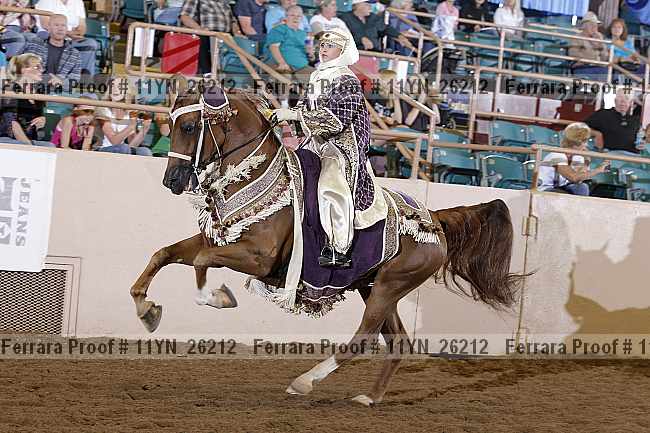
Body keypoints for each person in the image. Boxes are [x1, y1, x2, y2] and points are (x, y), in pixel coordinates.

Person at [272, 28, 387, 267]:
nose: (323, 49)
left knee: (330, 183)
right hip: (316, 140)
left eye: (330, 46)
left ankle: (338, 246)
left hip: (342, 145)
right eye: (322, 45)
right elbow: (305, 108)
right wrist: (285, 116)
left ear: (342, 51)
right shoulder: (318, 75)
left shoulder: (347, 80)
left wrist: (293, 115)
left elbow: (335, 120)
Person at [538, 122, 610, 196]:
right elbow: (574, 177)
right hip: (546, 190)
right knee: (566, 194)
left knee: (582, 187)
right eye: (585, 141)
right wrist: (598, 170)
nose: (586, 145)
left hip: (562, 188)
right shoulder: (556, 155)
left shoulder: (578, 157)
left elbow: (578, 180)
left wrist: (586, 162)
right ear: (577, 142)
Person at [0, 53, 53, 147]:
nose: (42, 70)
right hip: (8, 138)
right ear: (24, 69)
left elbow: (39, 117)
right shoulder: (10, 89)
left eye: (41, 67)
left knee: (50, 146)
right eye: (37, 67)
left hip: (30, 139)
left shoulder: (39, 91)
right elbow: (11, 123)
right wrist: (29, 145)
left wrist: (42, 120)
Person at [35, 0, 100, 76]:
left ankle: (85, 78)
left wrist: (77, 33)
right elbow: (46, 24)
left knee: (91, 44)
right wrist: (67, 33)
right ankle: (52, 76)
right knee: (55, 40)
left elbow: (82, 26)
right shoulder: (46, 1)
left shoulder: (78, 2)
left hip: (71, 37)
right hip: (49, 34)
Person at [94, 77, 153, 156]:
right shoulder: (102, 109)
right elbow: (114, 141)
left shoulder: (129, 112)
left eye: (119, 87)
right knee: (123, 148)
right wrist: (131, 126)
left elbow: (132, 145)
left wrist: (144, 129)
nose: (115, 89)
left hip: (121, 149)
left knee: (145, 151)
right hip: (101, 149)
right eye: (112, 86)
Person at [180, 0, 239, 75]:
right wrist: (200, 29)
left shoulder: (224, 2)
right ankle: (207, 73)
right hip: (206, 35)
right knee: (203, 39)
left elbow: (233, 22)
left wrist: (237, 32)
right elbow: (185, 17)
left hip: (225, 37)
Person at [24, 14, 81, 89]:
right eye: (56, 25)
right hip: (34, 87)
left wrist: (61, 82)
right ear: (49, 28)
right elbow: (22, 66)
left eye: (63, 25)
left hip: (59, 90)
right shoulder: (35, 44)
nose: (60, 29)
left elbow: (75, 80)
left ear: (67, 29)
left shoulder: (74, 54)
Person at [340, 0, 412, 52]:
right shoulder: (345, 18)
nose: (370, 7)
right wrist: (360, 39)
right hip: (354, 53)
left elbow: (385, 28)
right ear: (357, 5)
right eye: (367, 4)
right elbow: (341, 35)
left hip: (375, 54)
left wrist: (399, 36)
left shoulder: (373, 17)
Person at [586, 89, 644, 154]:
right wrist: (597, 134)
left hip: (632, 156)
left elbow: (641, 138)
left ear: (630, 103)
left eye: (626, 98)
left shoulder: (636, 120)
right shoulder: (603, 114)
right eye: (620, 98)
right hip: (608, 154)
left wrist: (642, 144)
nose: (623, 101)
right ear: (615, 100)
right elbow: (580, 127)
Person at [264, 6, 314, 77]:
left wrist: (311, 55)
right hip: (281, 65)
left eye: (299, 16)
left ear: (302, 18)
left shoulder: (303, 34)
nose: (296, 18)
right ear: (286, 17)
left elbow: (309, 56)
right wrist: (282, 63)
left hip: (302, 67)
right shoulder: (278, 29)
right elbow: (273, 47)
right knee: (286, 78)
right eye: (292, 15)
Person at [568, 12, 608, 81]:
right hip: (582, 67)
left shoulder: (599, 38)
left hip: (598, 67)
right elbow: (574, 54)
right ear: (584, 26)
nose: (594, 28)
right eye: (591, 25)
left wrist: (600, 44)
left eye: (596, 25)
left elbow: (605, 57)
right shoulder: (576, 38)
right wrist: (593, 59)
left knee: (609, 74)